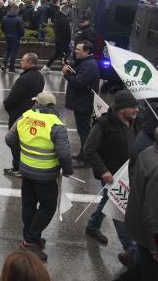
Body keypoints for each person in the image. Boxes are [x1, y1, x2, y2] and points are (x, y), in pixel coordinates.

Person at [5, 92, 73, 262]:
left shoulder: (25, 117)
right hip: (46, 174)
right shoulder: (56, 125)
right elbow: (64, 154)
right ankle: (30, 240)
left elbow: (9, 139)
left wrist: (25, 149)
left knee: (28, 203)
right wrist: (67, 170)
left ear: (37, 103)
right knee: (48, 206)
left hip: (26, 170)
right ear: (53, 106)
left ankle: (30, 237)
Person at [83, 90, 140, 267]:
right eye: (132, 107)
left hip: (127, 173)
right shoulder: (102, 124)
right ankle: (129, 248)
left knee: (108, 199)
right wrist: (103, 171)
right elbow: (88, 151)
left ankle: (93, 226)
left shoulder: (133, 122)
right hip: (110, 175)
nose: (136, 110)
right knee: (118, 206)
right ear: (121, 108)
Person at [3, 53, 46, 178]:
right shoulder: (39, 76)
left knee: (14, 141)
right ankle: (25, 166)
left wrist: (7, 106)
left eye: (23, 61)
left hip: (18, 114)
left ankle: (17, 167)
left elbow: (13, 98)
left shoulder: (24, 79)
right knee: (25, 142)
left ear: (31, 63)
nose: (21, 62)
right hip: (31, 113)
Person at [124, 128, 158, 280]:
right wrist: (155, 248)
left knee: (143, 267)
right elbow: (152, 213)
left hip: (138, 226)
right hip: (149, 235)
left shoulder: (147, 152)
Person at [63, 41, 100, 162]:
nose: (75, 51)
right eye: (76, 49)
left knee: (84, 131)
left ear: (87, 51)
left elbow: (78, 82)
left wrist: (67, 75)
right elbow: (78, 74)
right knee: (82, 130)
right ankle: (82, 154)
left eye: (78, 49)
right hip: (81, 102)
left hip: (84, 103)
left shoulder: (89, 65)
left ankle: (86, 157)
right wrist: (69, 68)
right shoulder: (85, 63)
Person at [42, 5, 72, 72]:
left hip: (58, 39)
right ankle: (65, 70)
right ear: (66, 11)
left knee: (57, 54)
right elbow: (67, 31)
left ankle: (46, 66)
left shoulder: (57, 17)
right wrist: (69, 39)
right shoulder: (65, 19)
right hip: (64, 40)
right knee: (64, 55)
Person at [1, 5, 25, 73]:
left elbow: (2, 28)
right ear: (17, 10)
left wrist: (6, 33)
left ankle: (4, 64)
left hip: (7, 36)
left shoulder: (5, 17)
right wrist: (21, 35)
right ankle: (11, 67)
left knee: (7, 51)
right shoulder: (19, 19)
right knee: (13, 52)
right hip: (15, 37)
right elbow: (21, 30)